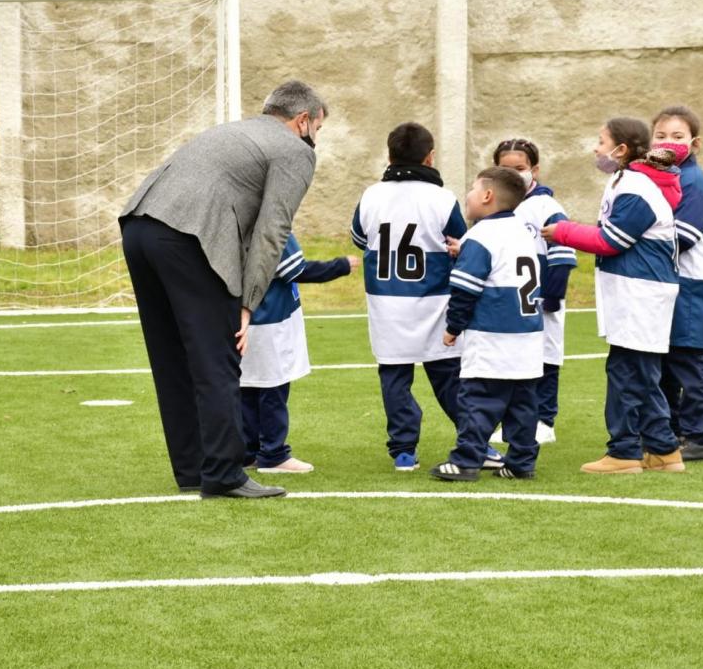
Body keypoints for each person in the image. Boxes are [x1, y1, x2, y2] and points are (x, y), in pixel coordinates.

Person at [119, 80, 327, 499]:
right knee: (218, 358)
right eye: (318, 128)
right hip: (188, 238)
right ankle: (224, 473)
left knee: (172, 357)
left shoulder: (235, 131)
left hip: (138, 227)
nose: (316, 138)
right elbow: (273, 231)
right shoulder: (293, 150)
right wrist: (248, 304)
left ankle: (193, 468)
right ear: (302, 120)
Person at [542, 117, 684, 475]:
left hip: (641, 291)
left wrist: (562, 231)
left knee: (626, 371)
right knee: (640, 372)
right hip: (634, 291)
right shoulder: (627, 179)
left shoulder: (637, 187)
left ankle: (623, 451)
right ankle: (664, 450)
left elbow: (612, 240)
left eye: (602, 141)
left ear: (621, 149)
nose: (596, 148)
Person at [350, 122, 474, 472]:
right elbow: (461, 243)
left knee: (394, 377)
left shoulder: (371, 195)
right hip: (434, 302)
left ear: (389, 156)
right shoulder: (441, 198)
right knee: (448, 375)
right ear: (430, 156)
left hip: (387, 304)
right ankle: (472, 437)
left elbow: (359, 239)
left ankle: (403, 450)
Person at [430, 167, 545, 482]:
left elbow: (466, 289)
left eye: (472, 188)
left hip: (494, 336)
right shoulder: (523, 232)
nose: (467, 194)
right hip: (529, 338)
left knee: (477, 400)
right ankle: (521, 461)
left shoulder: (481, 235)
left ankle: (467, 460)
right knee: (522, 405)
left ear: (487, 195)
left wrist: (453, 327)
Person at [240, 234, 359, 473]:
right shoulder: (270, 228)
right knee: (273, 389)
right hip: (270, 320)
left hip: (246, 320)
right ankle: (273, 454)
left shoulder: (235, 223)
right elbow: (298, 270)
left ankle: (249, 452)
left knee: (249, 389)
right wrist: (341, 265)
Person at [489, 138, 577, 445]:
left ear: (534, 170)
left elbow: (563, 253)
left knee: (545, 356)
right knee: (512, 359)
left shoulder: (545, 207)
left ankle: (544, 420)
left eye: (520, 168)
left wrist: (551, 298)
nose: (513, 174)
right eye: (504, 168)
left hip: (538, 300)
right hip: (506, 301)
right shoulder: (495, 208)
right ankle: (515, 420)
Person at [651, 105, 703, 462]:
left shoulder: (695, 183)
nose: (668, 142)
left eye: (677, 137)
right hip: (670, 280)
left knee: (689, 356)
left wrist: (626, 238)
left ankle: (697, 437)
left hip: (694, 283)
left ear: (695, 143)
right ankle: (673, 429)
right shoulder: (663, 177)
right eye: (661, 136)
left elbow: (683, 238)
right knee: (665, 357)